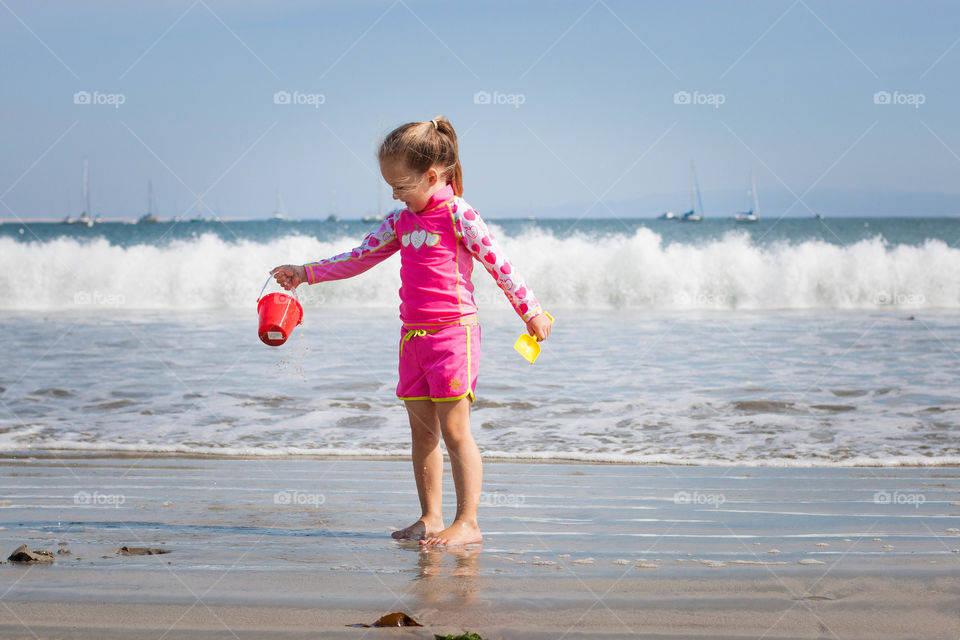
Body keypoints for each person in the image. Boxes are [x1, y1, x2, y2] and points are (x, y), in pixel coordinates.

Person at [270, 115, 551, 546]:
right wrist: (304, 273)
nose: (397, 196)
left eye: (402, 186)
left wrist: (530, 311)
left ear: (432, 176)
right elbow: (357, 257)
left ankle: (469, 522)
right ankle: (431, 518)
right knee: (422, 435)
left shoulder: (460, 214)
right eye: (392, 189)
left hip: (454, 336)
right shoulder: (400, 222)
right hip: (412, 339)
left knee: (456, 432)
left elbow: (500, 265)